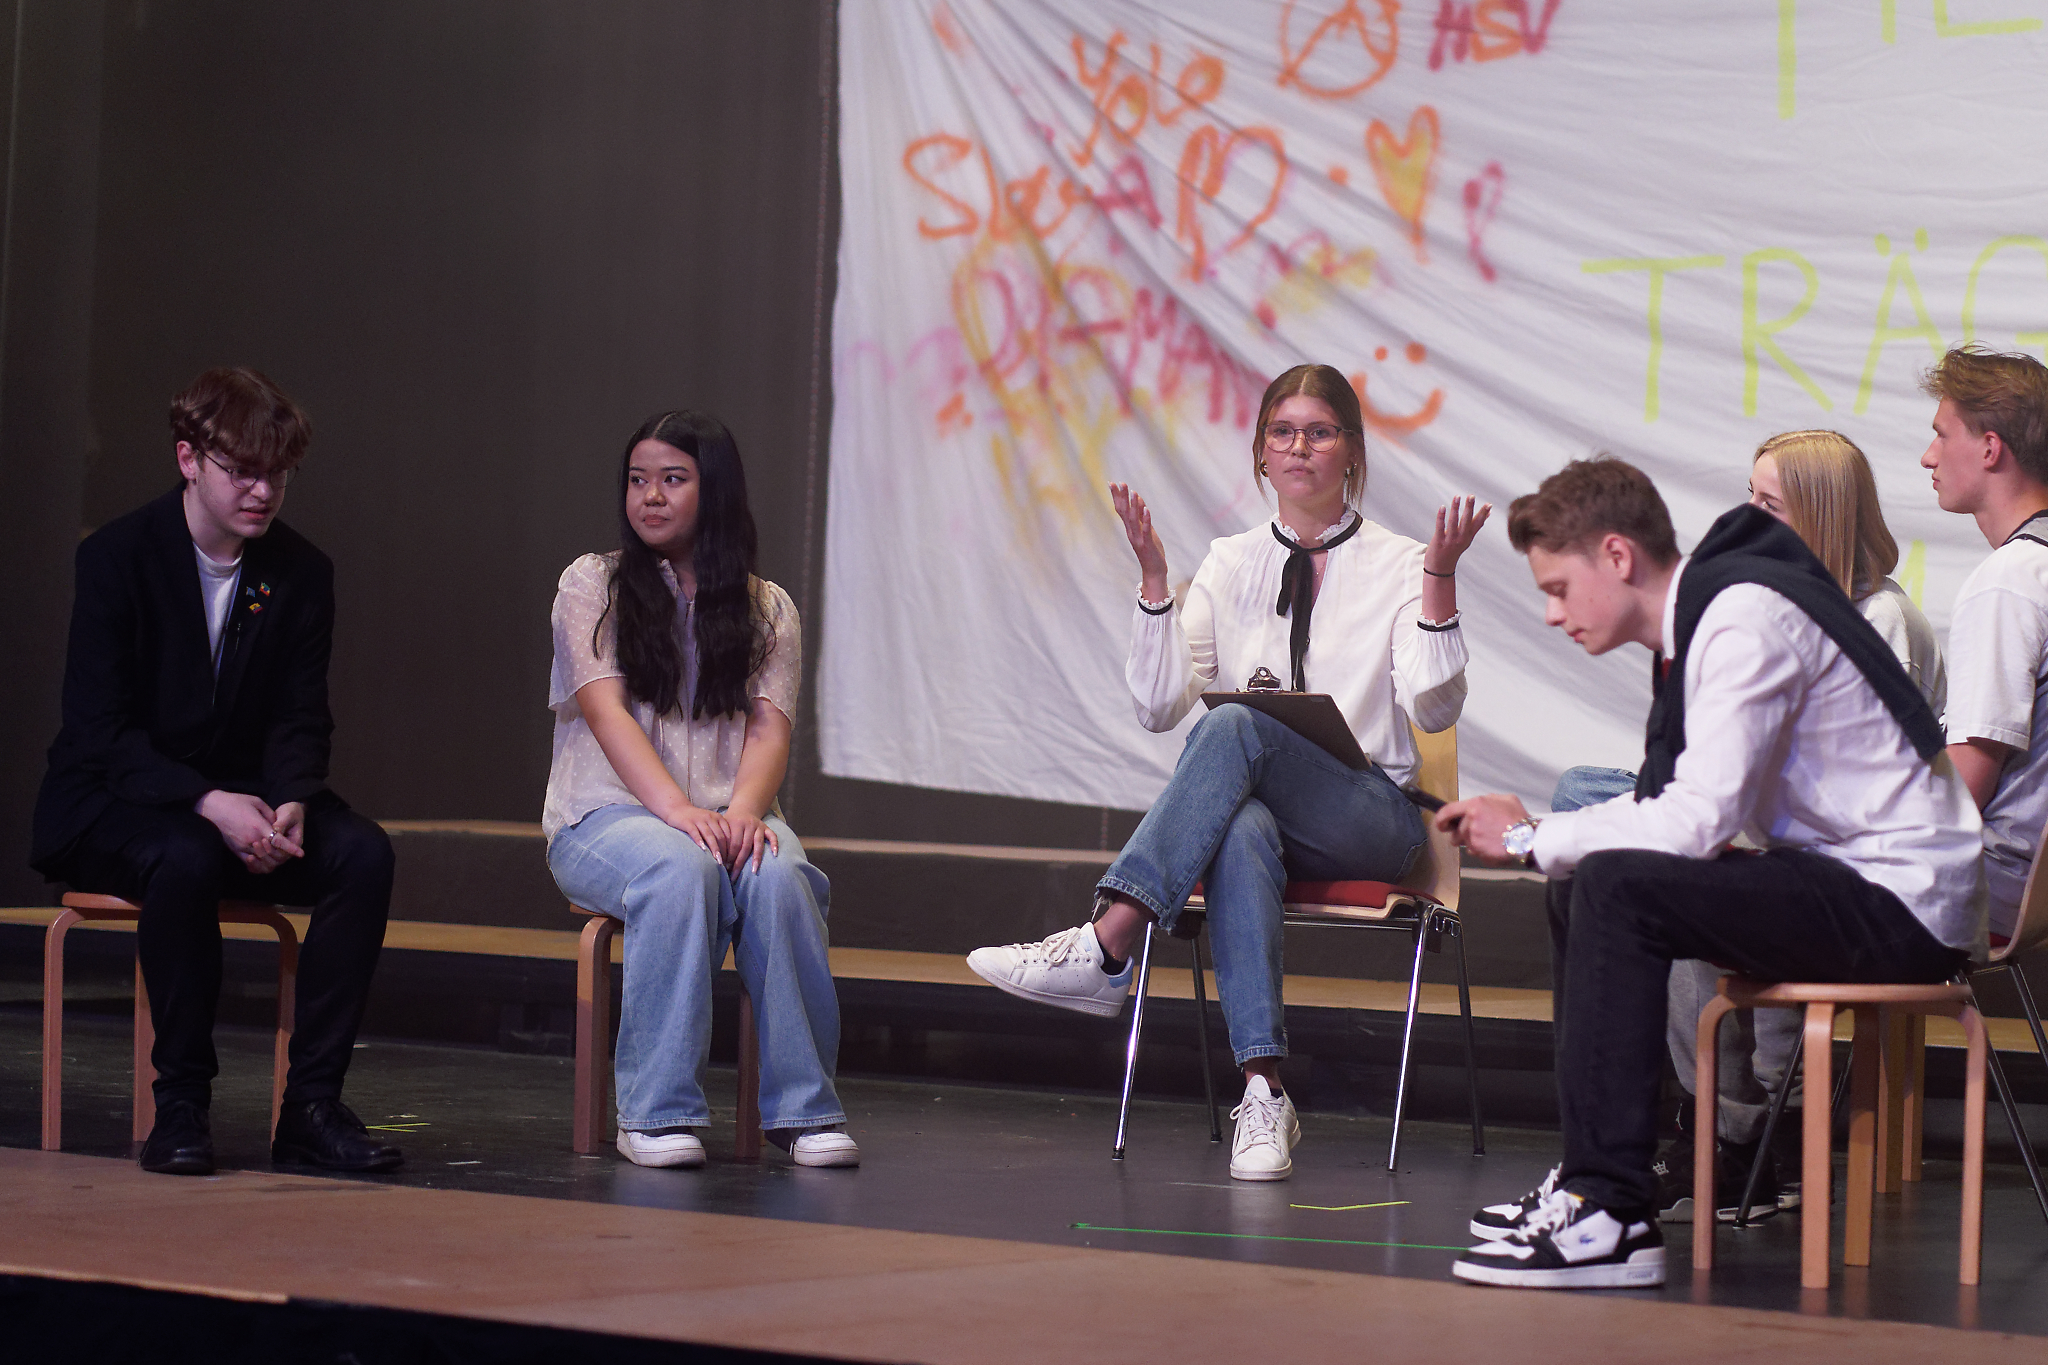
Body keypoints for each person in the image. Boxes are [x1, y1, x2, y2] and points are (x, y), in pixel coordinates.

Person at [1439, 457, 1981, 1290]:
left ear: (1617, 556)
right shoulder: (1705, 617)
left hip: (1902, 905)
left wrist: (1525, 835)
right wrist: (1546, 841)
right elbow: (1686, 810)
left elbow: (1697, 822)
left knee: (1613, 882)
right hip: (1852, 880)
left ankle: (1613, 1215)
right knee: (1587, 879)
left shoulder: (1738, 618)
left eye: (1558, 588)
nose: (1551, 613)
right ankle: (1592, 1181)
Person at [965, 363, 1489, 1181]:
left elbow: (1432, 705)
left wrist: (1440, 581)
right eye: (1282, 432)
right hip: (1275, 827)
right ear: (1261, 452)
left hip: (1371, 818)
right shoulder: (1229, 559)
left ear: (1352, 451)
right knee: (1239, 826)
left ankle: (1109, 939)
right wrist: (1153, 584)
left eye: (1320, 432)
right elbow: (1159, 707)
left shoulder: (1401, 561)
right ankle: (1263, 1092)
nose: (1299, 447)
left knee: (1237, 723)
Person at [1552, 430, 1949, 1224]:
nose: (1749, 520)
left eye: (1771, 504)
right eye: (1750, 498)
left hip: (1859, 869)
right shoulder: (1766, 605)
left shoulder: (1878, 619)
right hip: (1794, 835)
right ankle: (1643, 1138)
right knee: (1585, 803)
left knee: (1666, 865)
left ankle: (1732, 1129)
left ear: (1823, 516)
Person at [31, 367, 400, 1176]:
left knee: (362, 852)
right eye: (244, 471)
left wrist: (293, 797)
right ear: (188, 459)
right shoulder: (117, 557)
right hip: (117, 799)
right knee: (185, 855)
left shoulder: (301, 570)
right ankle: (181, 1106)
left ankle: (311, 1108)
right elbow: (100, 730)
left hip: (244, 798)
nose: (263, 491)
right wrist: (206, 801)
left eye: (279, 474)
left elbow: (300, 714)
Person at [543, 410, 854, 1170]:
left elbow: (769, 730)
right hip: (606, 819)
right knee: (680, 867)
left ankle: (806, 1112)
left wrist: (743, 812)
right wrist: (679, 813)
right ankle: (653, 1113)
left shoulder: (766, 606)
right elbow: (606, 712)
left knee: (780, 876)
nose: (650, 496)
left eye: (672, 480)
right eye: (638, 480)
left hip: (724, 812)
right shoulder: (591, 584)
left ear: (713, 490)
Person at [1920, 345, 2048, 944]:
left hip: (1997, 889)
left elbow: (1964, 791)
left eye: (1942, 435)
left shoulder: (2010, 581)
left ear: (1991, 448)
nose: (1929, 456)